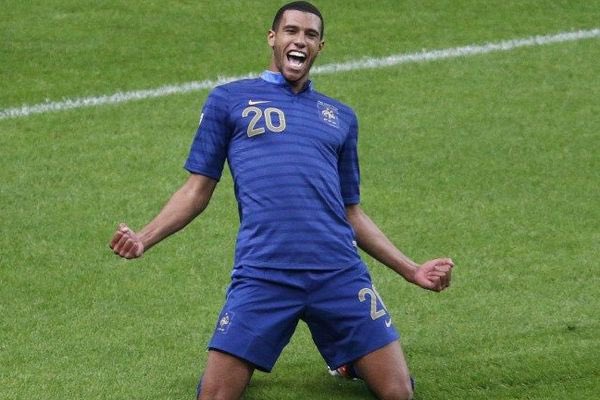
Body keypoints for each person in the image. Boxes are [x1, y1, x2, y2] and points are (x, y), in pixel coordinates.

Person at [109, 2, 454, 399]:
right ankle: (326, 351)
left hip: (338, 273)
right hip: (264, 274)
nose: (300, 40)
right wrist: (144, 238)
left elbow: (350, 212)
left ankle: (350, 359)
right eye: (291, 31)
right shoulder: (228, 100)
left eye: (310, 35)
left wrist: (412, 270)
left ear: (320, 46)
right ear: (273, 38)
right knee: (215, 395)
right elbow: (196, 190)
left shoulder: (340, 117)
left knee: (399, 393)